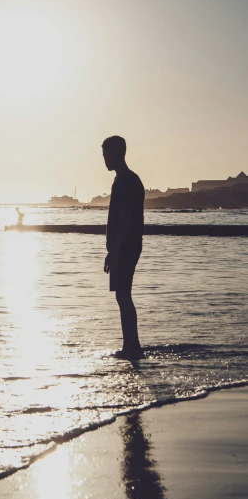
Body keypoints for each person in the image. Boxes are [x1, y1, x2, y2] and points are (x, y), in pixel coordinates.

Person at [102, 135, 144, 359]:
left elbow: (127, 218)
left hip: (126, 247)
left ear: (118, 153)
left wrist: (114, 250)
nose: (104, 159)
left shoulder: (128, 180)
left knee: (124, 295)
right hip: (123, 246)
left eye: (106, 154)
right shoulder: (121, 180)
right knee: (122, 295)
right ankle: (131, 345)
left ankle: (133, 347)